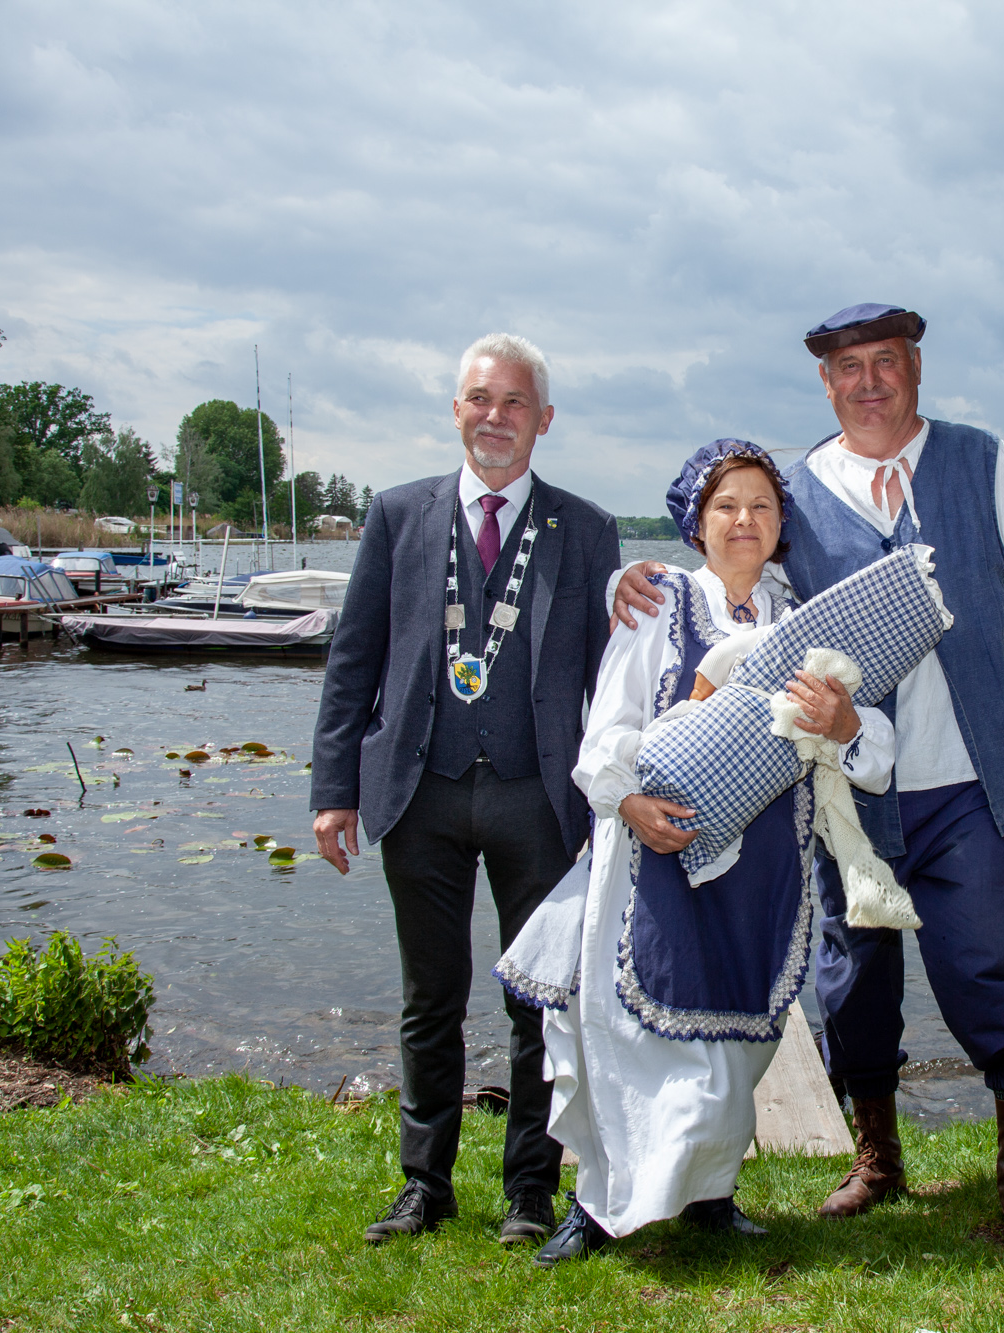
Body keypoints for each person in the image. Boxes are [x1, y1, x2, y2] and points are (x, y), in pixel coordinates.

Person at [613, 303, 1004, 1258]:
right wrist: (627, 584)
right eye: (849, 367)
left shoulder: (983, 462)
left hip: (967, 785)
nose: (869, 382)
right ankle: (879, 1157)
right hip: (845, 794)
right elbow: (731, 577)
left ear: (915, 368)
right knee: (853, 988)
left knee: (996, 967)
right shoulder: (795, 493)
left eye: (886, 362)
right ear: (827, 382)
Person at [507, 440, 896, 1265]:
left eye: (760, 506)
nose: (744, 521)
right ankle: (599, 1203)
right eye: (726, 506)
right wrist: (630, 801)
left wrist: (845, 723)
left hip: (765, 866)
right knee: (627, 1031)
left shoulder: (806, 624)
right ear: (697, 521)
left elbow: (874, 750)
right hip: (652, 850)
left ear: (782, 522)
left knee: (739, 1043)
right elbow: (607, 729)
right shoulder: (660, 605)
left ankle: (711, 1192)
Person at [312, 333, 621, 1248]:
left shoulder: (588, 527)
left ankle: (529, 1188)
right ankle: (424, 1183)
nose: (496, 417)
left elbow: (612, 678)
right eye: (480, 399)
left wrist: (619, 791)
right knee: (430, 997)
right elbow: (352, 660)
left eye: (515, 402)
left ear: (544, 420)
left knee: (538, 1001)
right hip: (420, 793)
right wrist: (336, 790)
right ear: (456, 410)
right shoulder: (398, 515)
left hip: (539, 799)